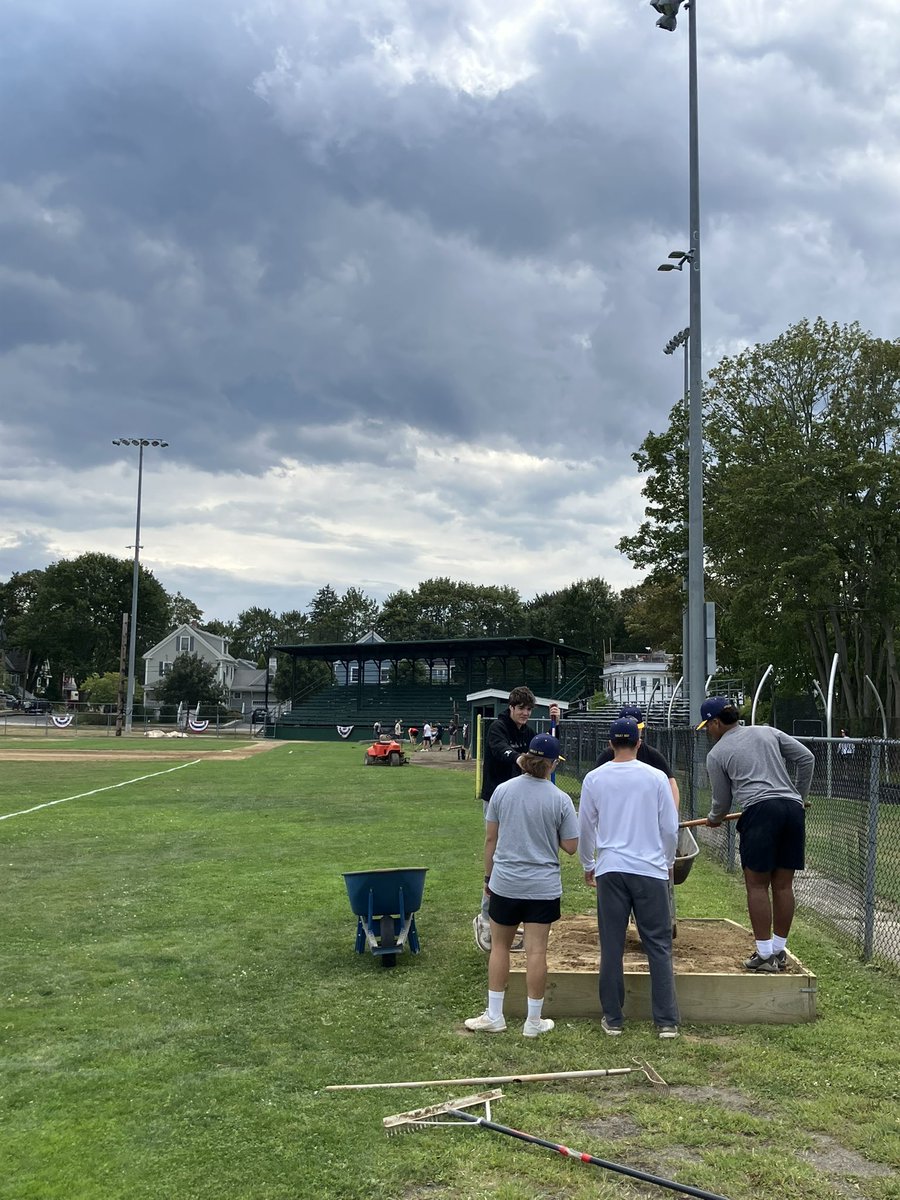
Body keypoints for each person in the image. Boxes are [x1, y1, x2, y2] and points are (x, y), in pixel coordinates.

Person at [464, 733, 578, 1037]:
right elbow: (571, 846)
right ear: (553, 764)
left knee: (499, 947)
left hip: (506, 882)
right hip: (542, 886)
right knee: (536, 952)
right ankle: (533, 1022)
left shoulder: (502, 791)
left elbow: (491, 838)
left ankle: (495, 1015)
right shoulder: (560, 799)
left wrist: (488, 878)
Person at [579, 716, 680, 1039]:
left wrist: (588, 863)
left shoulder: (595, 778)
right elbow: (670, 827)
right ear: (638, 742)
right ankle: (666, 1021)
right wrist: (667, 862)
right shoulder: (656, 777)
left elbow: (585, 826)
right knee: (659, 945)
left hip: (611, 869)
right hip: (650, 869)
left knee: (612, 945)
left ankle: (613, 1018)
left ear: (610, 744)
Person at [698, 696, 815, 973]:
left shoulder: (717, 754)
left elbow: (721, 802)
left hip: (761, 812)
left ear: (716, 723)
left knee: (757, 884)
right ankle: (778, 951)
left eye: (707, 726)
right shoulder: (767, 731)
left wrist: (714, 819)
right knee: (783, 885)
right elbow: (806, 758)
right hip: (792, 810)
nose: (707, 732)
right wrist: (799, 797)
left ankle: (764, 956)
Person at [473, 686, 560, 951]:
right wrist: (521, 759)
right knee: (498, 852)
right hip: (496, 798)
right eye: (520, 708)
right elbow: (501, 750)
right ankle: (486, 918)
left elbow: (545, 751)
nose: (524, 713)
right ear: (510, 707)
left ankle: (514, 917)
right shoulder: (497, 728)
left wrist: (555, 725)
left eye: (529, 709)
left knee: (518, 852)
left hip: (520, 800)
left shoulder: (528, 733)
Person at [596, 706, 680, 813]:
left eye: (637, 728)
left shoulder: (652, 755)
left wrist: (673, 813)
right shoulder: (606, 757)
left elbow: (671, 782)